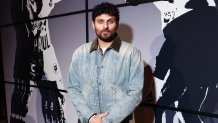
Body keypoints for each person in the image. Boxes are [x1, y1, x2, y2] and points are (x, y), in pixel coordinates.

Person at [66, 2, 144, 123]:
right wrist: (90, 117)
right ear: (93, 24)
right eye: (100, 21)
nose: (105, 26)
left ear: (116, 24)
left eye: (110, 21)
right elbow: (72, 88)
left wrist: (106, 120)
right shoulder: (80, 52)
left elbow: (135, 93)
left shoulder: (131, 53)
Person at [153, 0, 218, 122]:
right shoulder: (191, 20)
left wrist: (160, 71)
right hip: (190, 66)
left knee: (185, 99)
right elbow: (169, 40)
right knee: (182, 97)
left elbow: (169, 39)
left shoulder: (186, 20)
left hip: (192, 66)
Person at [10, 0, 65, 123]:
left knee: (57, 99)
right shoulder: (22, 4)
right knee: (21, 100)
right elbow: (31, 31)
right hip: (29, 53)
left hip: (46, 50)